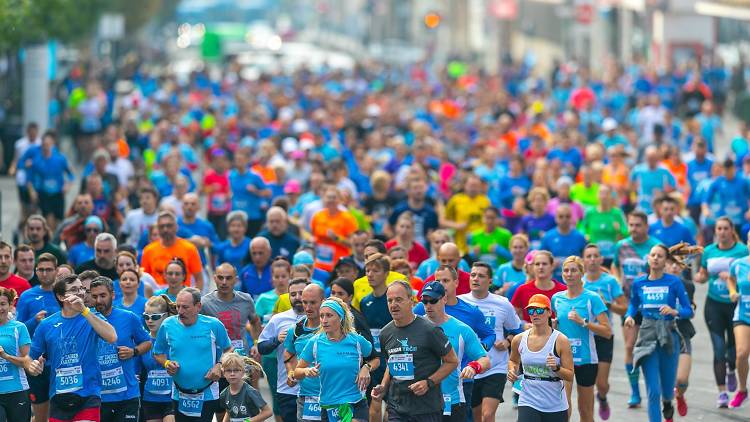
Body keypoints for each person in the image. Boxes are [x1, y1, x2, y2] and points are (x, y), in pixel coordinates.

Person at [26, 274, 118, 422]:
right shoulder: (46, 325)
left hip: (88, 394)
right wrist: (33, 366)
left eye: (81, 288)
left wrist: (85, 311)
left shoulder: (91, 316)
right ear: (61, 297)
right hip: (59, 395)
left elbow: (112, 337)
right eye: (74, 289)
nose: (81, 292)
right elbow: (30, 359)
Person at [371, 280, 459, 421]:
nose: (393, 305)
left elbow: (452, 361)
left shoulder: (430, 330)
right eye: (390, 300)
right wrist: (383, 386)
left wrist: (428, 382)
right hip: (397, 408)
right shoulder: (385, 333)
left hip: (426, 408)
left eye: (399, 300)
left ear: (411, 301)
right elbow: (390, 364)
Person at [625, 244, 693, 422]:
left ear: (665, 261)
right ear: (648, 258)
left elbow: (689, 310)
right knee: (653, 391)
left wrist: (674, 311)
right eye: (653, 255)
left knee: (668, 388)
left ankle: (668, 402)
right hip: (647, 334)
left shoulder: (674, 282)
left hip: (669, 335)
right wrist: (629, 316)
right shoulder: (639, 282)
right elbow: (633, 304)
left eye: (660, 256)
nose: (655, 258)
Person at [153, 288, 233, 422]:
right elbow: (157, 353)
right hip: (179, 393)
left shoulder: (213, 324)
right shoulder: (167, 325)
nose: (180, 311)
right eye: (178, 306)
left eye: (185, 307)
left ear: (198, 306)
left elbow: (229, 349)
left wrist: (219, 366)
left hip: (207, 392)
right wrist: (167, 363)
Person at [294, 297, 378, 422]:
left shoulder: (356, 341)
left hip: (356, 402)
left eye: (329, 315)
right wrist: (306, 371)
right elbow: (297, 372)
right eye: (322, 316)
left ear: (341, 317)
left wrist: (366, 367)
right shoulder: (315, 342)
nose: (324, 320)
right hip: (328, 406)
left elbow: (376, 359)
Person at [459, 262, 523, 422]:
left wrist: (507, 342)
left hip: (496, 366)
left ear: (490, 281)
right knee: (475, 417)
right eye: (473, 275)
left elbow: (516, 330)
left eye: (481, 276)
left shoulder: (502, 303)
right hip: (469, 368)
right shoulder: (460, 303)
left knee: (487, 415)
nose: (475, 279)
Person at [551, 256, 611, 422]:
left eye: (573, 270)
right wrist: (552, 326)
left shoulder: (592, 298)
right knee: (564, 408)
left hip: (586, 359)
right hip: (563, 360)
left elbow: (607, 331)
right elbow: (552, 328)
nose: (569, 274)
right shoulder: (556, 299)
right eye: (566, 270)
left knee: (585, 410)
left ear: (581, 273)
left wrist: (583, 322)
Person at [696, 217, 748, 407]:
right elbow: (702, 274)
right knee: (718, 349)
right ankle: (722, 392)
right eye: (719, 228)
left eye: (726, 228)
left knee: (734, 352)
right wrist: (700, 277)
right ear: (715, 231)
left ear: (732, 230)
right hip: (714, 305)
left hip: (736, 306)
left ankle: (732, 369)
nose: (722, 232)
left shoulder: (742, 251)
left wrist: (732, 280)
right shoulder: (709, 251)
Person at [421, 281, 491, 421]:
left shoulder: (461, 329)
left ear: (444, 299)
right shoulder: (416, 327)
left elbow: (485, 360)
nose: (428, 305)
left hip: (452, 400)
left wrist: (473, 367)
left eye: (433, 301)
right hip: (422, 401)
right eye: (425, 301)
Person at [612, 210, 661, 408]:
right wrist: (617, 281)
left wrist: (650, 273)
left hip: (651, 304)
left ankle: (654, 388)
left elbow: (663, 271)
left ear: (646, 227)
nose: (633, 229)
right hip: (628, 303)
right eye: (631, 225)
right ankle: (634, 392)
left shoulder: (655, 246)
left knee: (651, 348)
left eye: (637, 225)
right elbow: (615, 266)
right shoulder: (621, 246)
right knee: (630, 346)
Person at [90, 275, 152, 422]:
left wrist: (134, 351)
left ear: (113, 294)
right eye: (94, 296)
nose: (99, 300)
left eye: (103, 295)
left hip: (127, 395)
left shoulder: (128, 317)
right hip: (97, 396)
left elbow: (147, 342)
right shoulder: (87, 319)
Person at [507, 294, 574, 422]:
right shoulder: (519, 339)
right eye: (531, 311)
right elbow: (513, 360)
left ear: (549, 312)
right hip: (528, 399)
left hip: (554, 403)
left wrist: (556, 368)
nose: (535, 314)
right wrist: (512, 370)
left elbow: (570, 376)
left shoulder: (561, 341)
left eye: (539, 310)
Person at [581, 244, 627, 418]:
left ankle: (603, 396)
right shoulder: (580, 282)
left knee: (601, 383)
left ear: (601, 259)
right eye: (589, 256)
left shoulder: (609, 281)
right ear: (583, 260)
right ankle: (588, 416)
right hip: (585, 336)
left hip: (604, 335)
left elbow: (624, 308)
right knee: (587, 384)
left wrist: (607, 304)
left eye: (595, 256)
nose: (592, 260)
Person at [257, 278, 309, 422]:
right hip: (287, 387)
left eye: (301, 293)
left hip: (315, 388)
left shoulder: (321, 318)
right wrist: (276, 340)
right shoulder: (279, 319)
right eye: (293, 294)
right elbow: (261, 347)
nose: (297, 298)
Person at [282, 284, 324, 422]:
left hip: (334, 396)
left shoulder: (334, 328)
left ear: (323, 302)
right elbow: (288, 353)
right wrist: (290, 373)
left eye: (313, 303)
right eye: (305, 302)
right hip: (307, 397)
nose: (308, 307)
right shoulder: (295, 330)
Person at [202, 263, 262, 358]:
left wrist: (256, 343)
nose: (224, 282)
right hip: (215, 359)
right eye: (220, 278)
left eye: (229, 278)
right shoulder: (204, 303)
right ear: (215, 279)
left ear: (236, 280)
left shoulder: (246, 300)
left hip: (241, 357)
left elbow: (255, 322)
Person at [25, 130, 74, 230]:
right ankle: (50, 241)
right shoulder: (36, 160)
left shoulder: (60, 158)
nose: (45, 146)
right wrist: (32, 191)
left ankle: (54, 241)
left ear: (52, 144)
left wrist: (67, 186)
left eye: (48, 144)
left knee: (58, 222)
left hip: (58, 194)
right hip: (44, 194)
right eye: (44, 144)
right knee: (49, 220)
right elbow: (29, 178)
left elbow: (71, 175)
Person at [141, 210, 203, 289]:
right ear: (158, 229)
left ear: (176, 227)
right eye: (162, 226)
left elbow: (199, 279)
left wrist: (194, 298)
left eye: (169, 226)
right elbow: (145, 279)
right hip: (156, 297)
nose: (165, 229)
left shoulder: (189, 248)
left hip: (182, 297)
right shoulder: (148, 250)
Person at [140, 295, 178, 422]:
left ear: (166, 316)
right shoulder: (143, 341)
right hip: (150, 398)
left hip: (172, 397)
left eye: (155, 317)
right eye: (146, 316)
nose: (150, 321)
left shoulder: (175, 339)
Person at [0, 286, 32, 421]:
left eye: (2, 304)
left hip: (17, 390)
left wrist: (5, 356)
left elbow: (27, 362)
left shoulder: (19, 327)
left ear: (10, 304)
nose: (0, 308)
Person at [310, 185, 358, 272]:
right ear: (324, 199)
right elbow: (312, 235)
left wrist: (337, 238)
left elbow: (355, 243)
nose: (331, 200)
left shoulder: (347, 218)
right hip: (319, 265)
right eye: (328, 197)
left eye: (334, 197)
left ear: (339, 200)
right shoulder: (318, 216)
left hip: (339, 266)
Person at [510, 251, 567, 324]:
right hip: (530, 334)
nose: (541, 267)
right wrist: (523, 325)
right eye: (537, 264)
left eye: (544, 264)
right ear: (533, 267)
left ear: (552, 266)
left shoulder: (563, 290)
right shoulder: (522, 290)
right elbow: (511, 317)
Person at [728, 236, 750, 409]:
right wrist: (732, 291)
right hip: (743, 315)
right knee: (742, 353)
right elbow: (730, 279)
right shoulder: (739, 264)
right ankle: (742, 390)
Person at [219, 353, 273, 422]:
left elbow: (268, 412)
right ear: (223, 373)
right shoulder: (224, 394)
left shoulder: (250, 392)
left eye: (236, 370)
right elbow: (229, 412)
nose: (232, 374)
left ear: (243, 372)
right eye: (229, 370)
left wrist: (248, 421)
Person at [539, 205, 587, 280]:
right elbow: (540, 260)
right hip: (553, 281)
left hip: (575, 282)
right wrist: (551, 264)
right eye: (561, 216)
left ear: (571, 218)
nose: (564, 219)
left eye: (567, 216)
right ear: (555, 218)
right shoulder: (548, 237)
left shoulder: (580, 237)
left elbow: (585, 260)